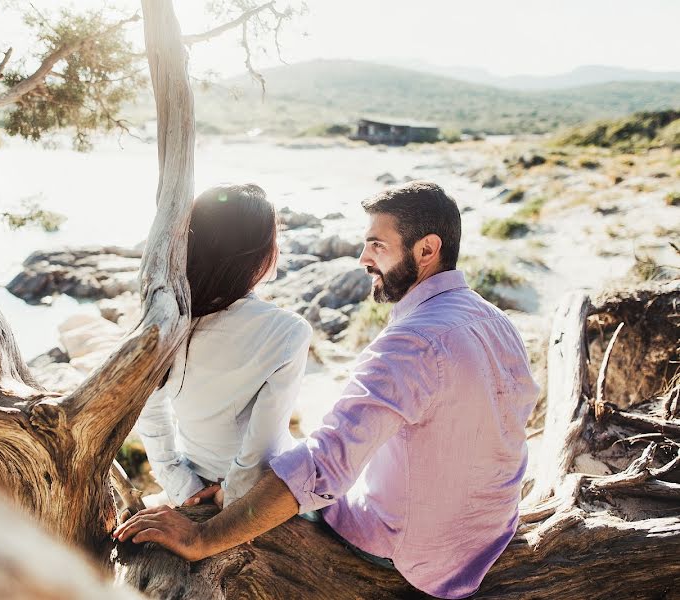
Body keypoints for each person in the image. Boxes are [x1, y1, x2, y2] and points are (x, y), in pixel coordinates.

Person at [116, 181, 540, 600]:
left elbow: (323, 468)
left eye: (377, 245)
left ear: (427, 250)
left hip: (416, 553)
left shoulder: (411, 345)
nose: (363, 259)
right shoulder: (493, 320)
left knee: (302, 469)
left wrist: (203, 537)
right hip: (492, 530)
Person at [136, 183, 312, 510]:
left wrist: (178, 481)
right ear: (258, 251)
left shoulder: (170, 319)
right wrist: (230, 493)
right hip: (261, 493)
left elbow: (148, 409)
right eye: (276, 237)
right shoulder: (288, 331)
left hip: (194, 479)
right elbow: (263, 445)